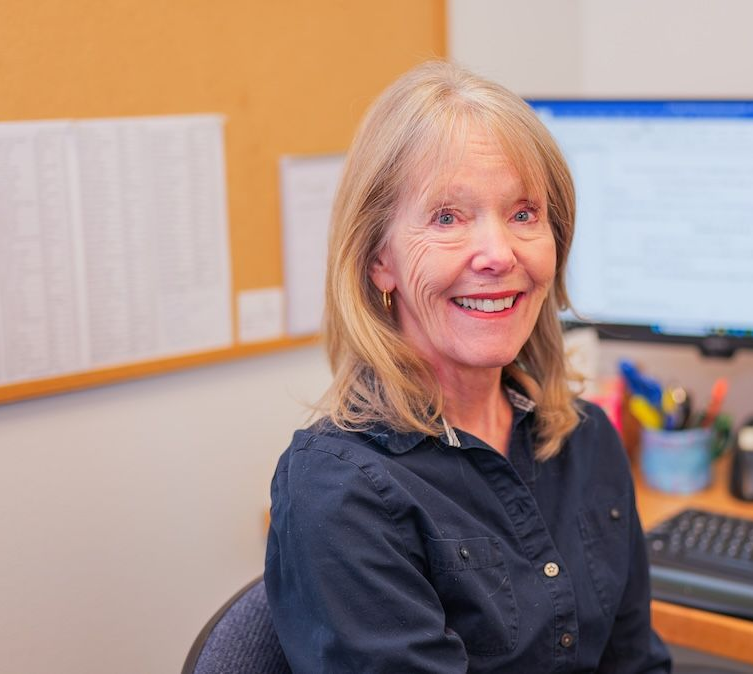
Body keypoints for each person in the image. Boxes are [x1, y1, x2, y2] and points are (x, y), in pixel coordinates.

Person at [265, 60, 671, 673]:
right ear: (380, 261)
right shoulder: (341, 493)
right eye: (448, 217)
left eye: (524, 213)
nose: (499, 254)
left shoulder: (587, 440)